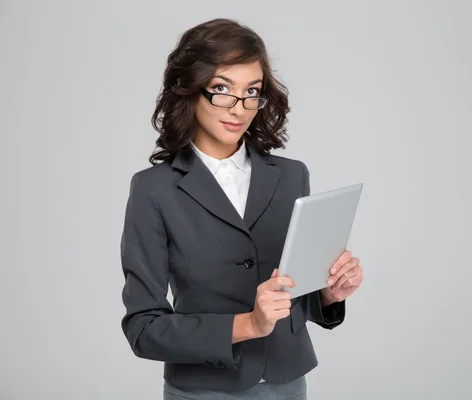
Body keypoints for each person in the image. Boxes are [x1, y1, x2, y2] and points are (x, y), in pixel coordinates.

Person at [119, 18, 363, 400]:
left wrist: (330, 294)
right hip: (205, 389)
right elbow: (144, 328)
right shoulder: (154, 189)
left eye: (252, 91)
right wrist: (247, 324)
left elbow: (295, 296)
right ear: (189, 90)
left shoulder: (291, 175)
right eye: (221, 89)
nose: (240, 107)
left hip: (288, 383)